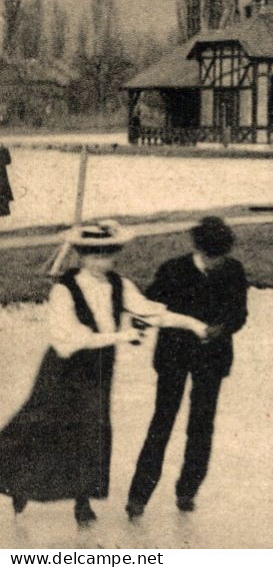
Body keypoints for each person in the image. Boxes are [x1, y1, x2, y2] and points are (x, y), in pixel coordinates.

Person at [0, 222, 208, 526]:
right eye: (94, 255)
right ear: (81, 256)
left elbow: (152, 312)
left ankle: (82, 501)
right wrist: (122, 336)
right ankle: (22, 486)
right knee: (44, 426)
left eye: (109, 254)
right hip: (64, 368)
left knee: (93, 431)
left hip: (98, 370)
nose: (102, 261)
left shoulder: (119, 285)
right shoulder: (64, 290)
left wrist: (194, 324)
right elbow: (68, 340)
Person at [125, 217, 249, 519]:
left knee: (201, 425)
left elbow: (240, 314)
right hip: (174, 356)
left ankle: (187, 491)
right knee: (162, 422)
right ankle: (139, 496)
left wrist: (224, 328)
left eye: (220, 258)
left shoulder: (233, 271)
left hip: (212, 358)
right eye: (210, 256)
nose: (214, 263)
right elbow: (150, 308)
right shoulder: (173, 270)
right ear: (198, 248)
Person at [0, 142, 11, 217]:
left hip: (2, 174)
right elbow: (8, 161)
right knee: (3, 190)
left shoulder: (3, 148)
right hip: (2, 174)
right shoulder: (3, 148)